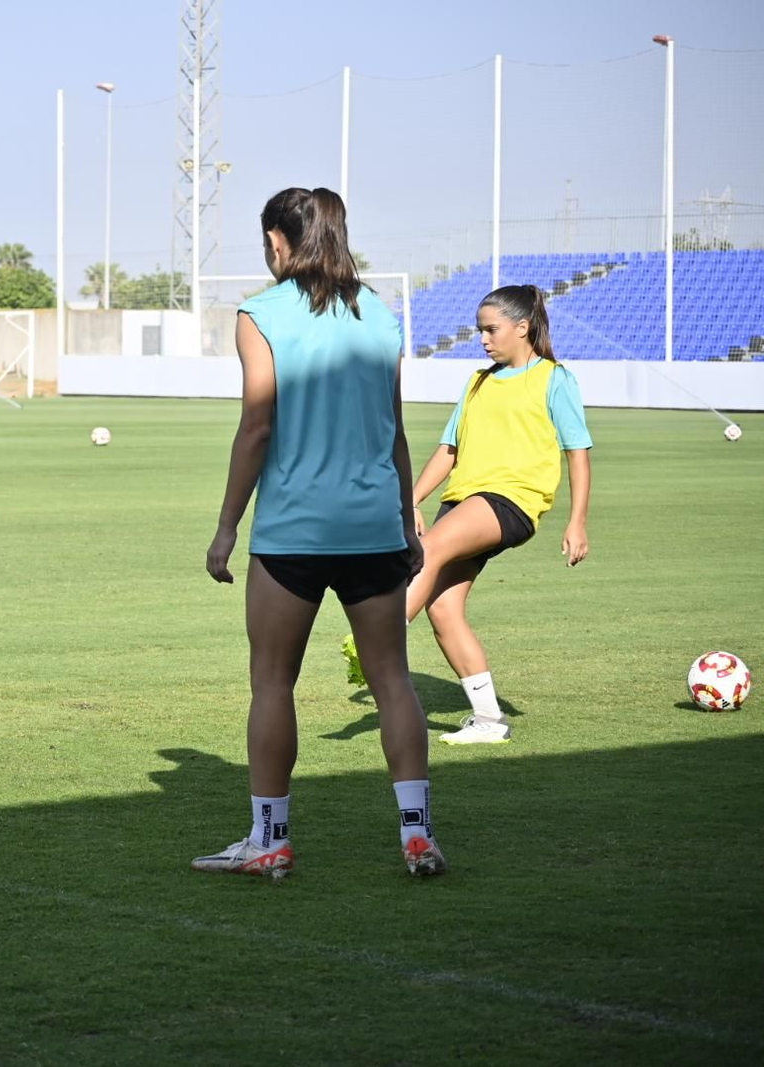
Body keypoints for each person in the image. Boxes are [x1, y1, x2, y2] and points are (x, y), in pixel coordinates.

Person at [196, 188, 443, 877]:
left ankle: (269, 838)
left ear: (281, 239)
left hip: (293, 532)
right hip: (374, 527)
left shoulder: (260, 313)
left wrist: (225, 527)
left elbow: (258, 424)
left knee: (273, 682)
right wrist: (404, 516)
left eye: (266, 239)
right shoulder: (380, 312)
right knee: (393, 678)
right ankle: (417, 834)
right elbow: (394, 427)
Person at [345, 285, 592, 745]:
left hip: (511, 501)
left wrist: (577, 521)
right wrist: (411, 500)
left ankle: (379, 638)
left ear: (523, 328)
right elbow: (448, 450)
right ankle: (489, 721)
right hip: (463, 500)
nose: (482, 338)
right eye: (480, 330)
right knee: (443, 608)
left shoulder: (554, 379)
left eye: (491, 329)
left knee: (429, 548)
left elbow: (577, 453)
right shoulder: (478, 382)